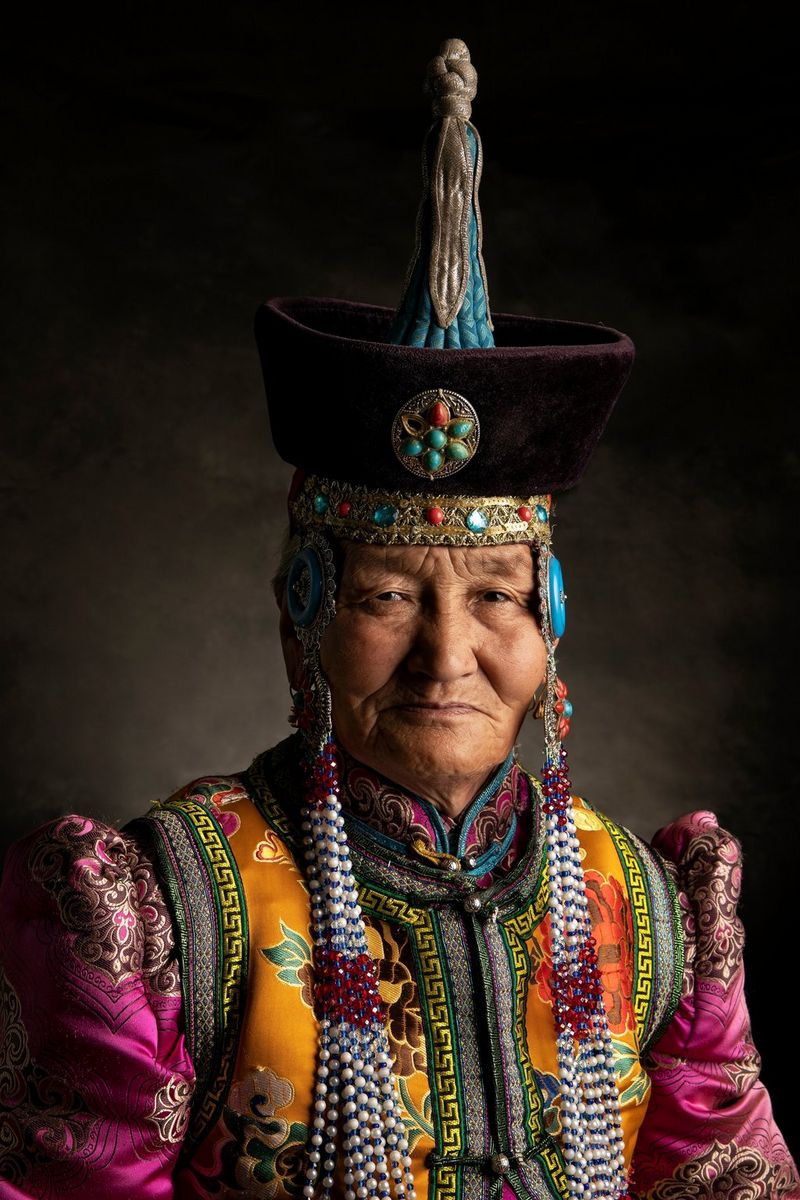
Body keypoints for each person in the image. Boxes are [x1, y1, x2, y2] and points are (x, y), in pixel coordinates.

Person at [0, 37, 796, 1200]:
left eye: (493, 599)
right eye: (384, 596)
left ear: (549, 627)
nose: (445, 654)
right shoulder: (163, 905)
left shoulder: (649, 900)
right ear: (299, 618)